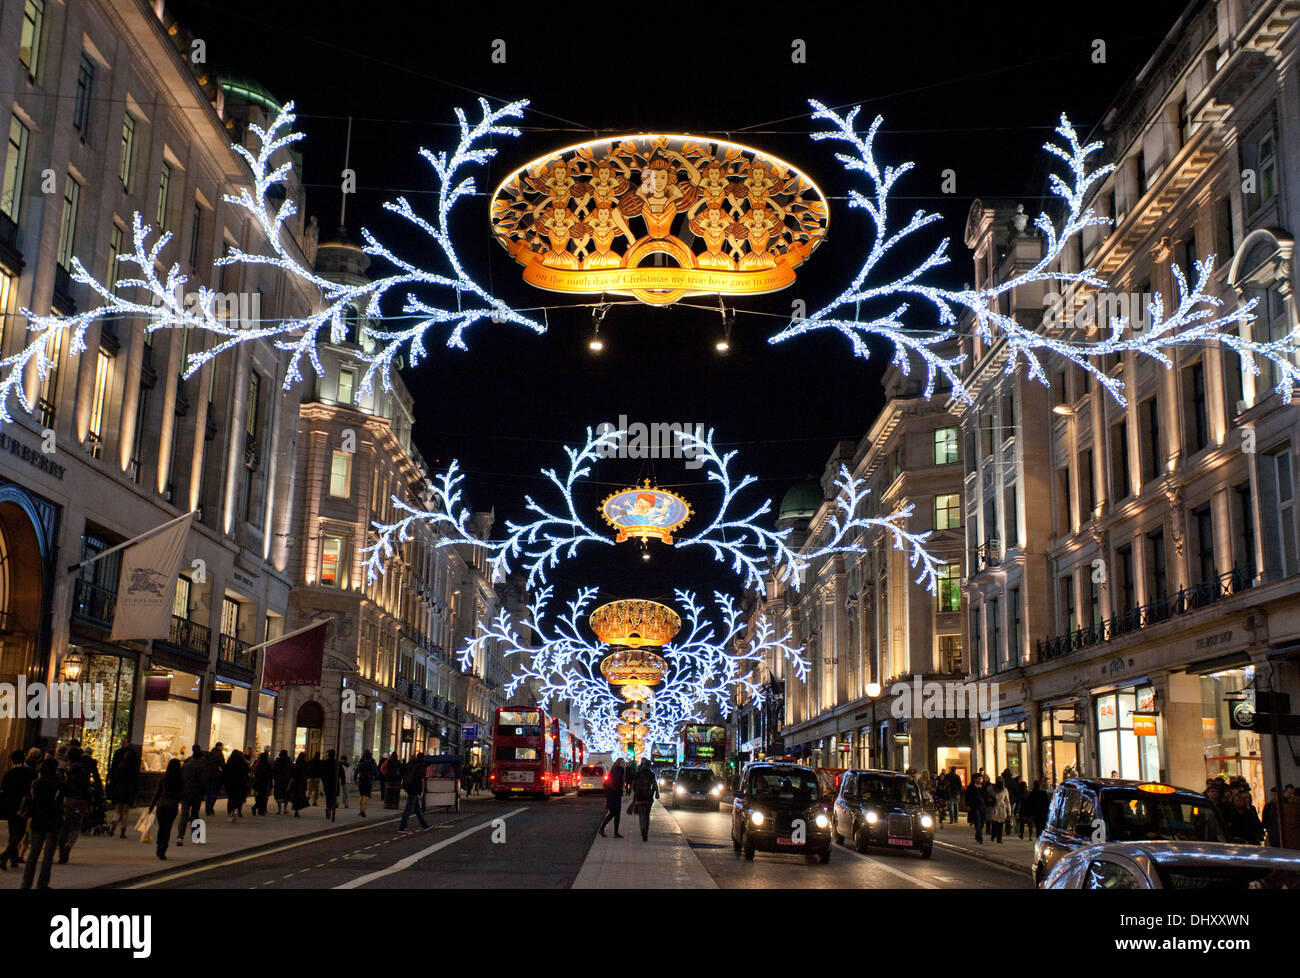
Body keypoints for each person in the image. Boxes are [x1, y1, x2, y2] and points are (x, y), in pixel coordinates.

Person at [21, 759, 64, 889]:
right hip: (53, 822)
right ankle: (42, 884)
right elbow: (61, 802)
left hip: (37, 821)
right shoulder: (57, 785)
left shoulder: (36, 784)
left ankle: (26, 884)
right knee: (47, 856)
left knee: (33, 854)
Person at [57, 745, 99, 864]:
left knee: (64, 827)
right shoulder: (83, 769)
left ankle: (61, 853)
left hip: (66, 799)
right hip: (79, 799)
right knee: (76, 826)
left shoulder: (64, 768)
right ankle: (68, 846)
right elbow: (86, 786)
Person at [0, 748, 39, 870]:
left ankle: (13, 859)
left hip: (10, 806)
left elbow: (4, 789)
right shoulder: (30, 773)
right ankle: (6, 855)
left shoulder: (9, 774)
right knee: (20, 832)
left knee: (13, 832)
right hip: (23, 806)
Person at [148, 759, 184, 861]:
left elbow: (157, 793)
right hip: (172, 806)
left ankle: (159, 846)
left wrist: (151, 806)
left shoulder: (163, 778)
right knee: (167, 828)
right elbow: (181, 794)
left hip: (161, 805)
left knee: (161, 827)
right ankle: (163, 848)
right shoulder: (179, 780)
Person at [106, 742, 141, 840]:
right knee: (126, 811)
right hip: (129, 790)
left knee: (117, 809)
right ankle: (123, 831)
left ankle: (114, 822)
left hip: (119, 788)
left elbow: (113, 777)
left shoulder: (120, 767)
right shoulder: (134, 769)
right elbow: (137, 781)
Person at [178, 745, 206, 847]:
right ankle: (196, 837)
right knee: (195, 815)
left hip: (185, 793)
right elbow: (203, 782)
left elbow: (181, 778)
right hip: (196, 793)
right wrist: (203, 793)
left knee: (184, 816)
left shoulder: (186, 764)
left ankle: (180, 837)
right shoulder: (202, 766)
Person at [630, 758, 659, 841]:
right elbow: (655, 785)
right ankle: (646, 831)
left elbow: (634, 786)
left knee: (642, 815)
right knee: (647, 815)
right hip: (648, 797)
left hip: (640, 797)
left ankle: (643, 831)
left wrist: (635, 795)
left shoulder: (638, 774)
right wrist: (653, 793)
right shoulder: (651, 774)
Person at [399, 753, 428, 831]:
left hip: (409, 788)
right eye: (424, 758)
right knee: (408, 809)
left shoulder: (411, 764)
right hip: (414, 789)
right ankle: (402, 826)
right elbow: (419, 778)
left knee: (417, 809)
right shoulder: (419, 767)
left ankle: (424, 825)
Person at [599, 758, 626, 837]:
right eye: (622, 762)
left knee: (615, 813)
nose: (624, 764)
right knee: (614, 813)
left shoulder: (613, 770)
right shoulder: (620, 770)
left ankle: (615, 832)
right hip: (615, 794)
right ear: (619, 763)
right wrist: (619, 790)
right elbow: (617, 781)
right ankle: (603, 829)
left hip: (611, 794)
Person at [223, 746, 250, 821]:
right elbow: (247, 771)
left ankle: (231, 810)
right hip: (240, 782)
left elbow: (225, 772)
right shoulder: (242, 762)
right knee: (239, 797)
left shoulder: (230, 762)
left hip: (231, 783)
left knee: (231, 797)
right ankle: (239, 811)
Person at [353, 751, 378, 817]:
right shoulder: (373, 764)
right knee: (366, 795)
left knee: (361, 795)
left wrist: (355, 779)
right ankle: (364, 810)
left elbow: (356, 772)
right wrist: (375, 778)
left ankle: (361, 810)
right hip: (368, 781)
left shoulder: (361, 763)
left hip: (361, 781)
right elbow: (376, 773)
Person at [965, 774, 987, 845]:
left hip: (982, 807)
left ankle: (978, 834)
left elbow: (986, 796)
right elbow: (967, 797)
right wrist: (968, 805)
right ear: (974, 779)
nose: (980, 780)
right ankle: (980, 838)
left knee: (982, 823)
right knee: (977, 821)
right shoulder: (971, 787)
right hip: (974, 807)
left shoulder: (983, 787)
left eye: (981, 779)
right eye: (978, 779)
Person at [203, 743, 225, 816]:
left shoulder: (210, 753)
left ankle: (207, 808)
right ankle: (210, 807)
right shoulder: (219, 753)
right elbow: (222, 764)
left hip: (208, 774)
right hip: (216, 774)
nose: (223, 747)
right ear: (219, 746)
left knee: (209, 792)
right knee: (214, 792)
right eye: (222, 746)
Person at [990, 778, 1012, 844]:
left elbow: (1007, 801)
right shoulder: (991, 788)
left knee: (1001, 824)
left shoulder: (1005, 790)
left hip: (1002, 808)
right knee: (994, 823)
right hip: (994, 807)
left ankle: (999, 838)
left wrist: (1009, 810)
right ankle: (993, 834)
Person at [251, 751, 272, 816]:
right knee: (263, 797)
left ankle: (258, 808)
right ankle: (260, 810)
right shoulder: (267, 765)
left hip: (258, 783)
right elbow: (270, 775)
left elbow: (255, 772)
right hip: (264, 783)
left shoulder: (258, 764)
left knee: (258, 797)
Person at [273, 750, 293, 814]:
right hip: (286, 780)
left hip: (278, 780)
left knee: (279, 794)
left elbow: (274, 770)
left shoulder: (278, 761)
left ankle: (279, 809)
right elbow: (291, 770)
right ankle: (285, 809)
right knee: (286, 794)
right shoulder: (288, 761)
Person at [321, 749, 339, 820]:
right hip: (334, 781)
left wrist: (323, 780)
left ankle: (328, 807)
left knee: (328, 796)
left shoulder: (325, 762)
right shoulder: (336, 762)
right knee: (333, 796)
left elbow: (322, 772)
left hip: (327, 782)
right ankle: (330, 808)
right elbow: (340, 772)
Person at [292, 752, 310, 817]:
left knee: (296, 796)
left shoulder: (296, 764)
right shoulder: (305, 765)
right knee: (300, 796)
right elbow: (307, 773)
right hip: (301, 783)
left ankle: (296, 810)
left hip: (296, 783)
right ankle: (297, 810)